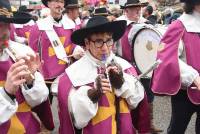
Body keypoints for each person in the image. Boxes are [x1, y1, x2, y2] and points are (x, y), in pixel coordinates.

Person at [56, 16, 150, 134]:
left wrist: (122, 83)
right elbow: (76, 122)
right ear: (87, 43)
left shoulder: (125, 67)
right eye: (99, 41)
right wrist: (92, 95)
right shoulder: (73, 74)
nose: (105, 48)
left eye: (109, 40)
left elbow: (136, 103)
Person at [0, 0, 54, 133]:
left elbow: (40, 99)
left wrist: (30, 81)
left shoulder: (22, 52)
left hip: (28, 128)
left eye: (7, 24)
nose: (5, 32)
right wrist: (7, 93)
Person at [151, 0, 200, 134]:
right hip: (185, 92)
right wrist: (194, 76)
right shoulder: (179, 25)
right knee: (177, 128)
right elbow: (166, 56)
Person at [117, 0, 162, 133]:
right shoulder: (120, 26)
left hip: (145, 67)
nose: (138, 10)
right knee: (129, 97)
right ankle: (129, 125)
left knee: (148, 95)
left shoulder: (147, 25)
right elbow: (114, 48)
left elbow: (154, 46)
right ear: (126, 11)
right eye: (133, 8)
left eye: (139, 8)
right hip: (127, 67)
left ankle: (148, 124)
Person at [29, 0, 84, 103]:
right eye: (56, 1)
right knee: (45, 107)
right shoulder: (38, 27)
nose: (59, 5)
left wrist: (78, 50)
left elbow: (74, 44)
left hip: (67, 73)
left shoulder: (71, 25)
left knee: (66, 105)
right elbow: (32, 51)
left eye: (61, 2)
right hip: (46, 75)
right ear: (48, 4)